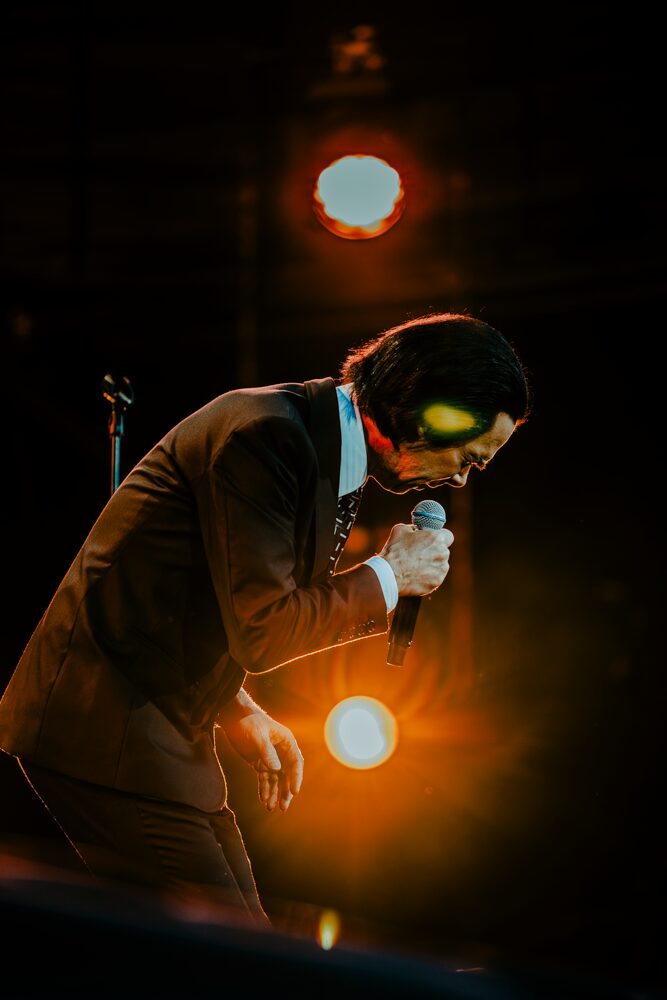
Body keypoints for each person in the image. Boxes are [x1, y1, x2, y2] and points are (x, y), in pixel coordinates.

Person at [0, 311, 531, 927]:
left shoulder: (317, 439)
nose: (461, 479)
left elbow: (206, 594)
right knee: (229, 955)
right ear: (425, 412)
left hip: (156, 722)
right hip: (105, 726)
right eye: (469, 457)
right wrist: (390, 576)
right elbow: (264, 629)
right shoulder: (269, 435)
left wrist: (236, 705)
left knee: (237, 941)